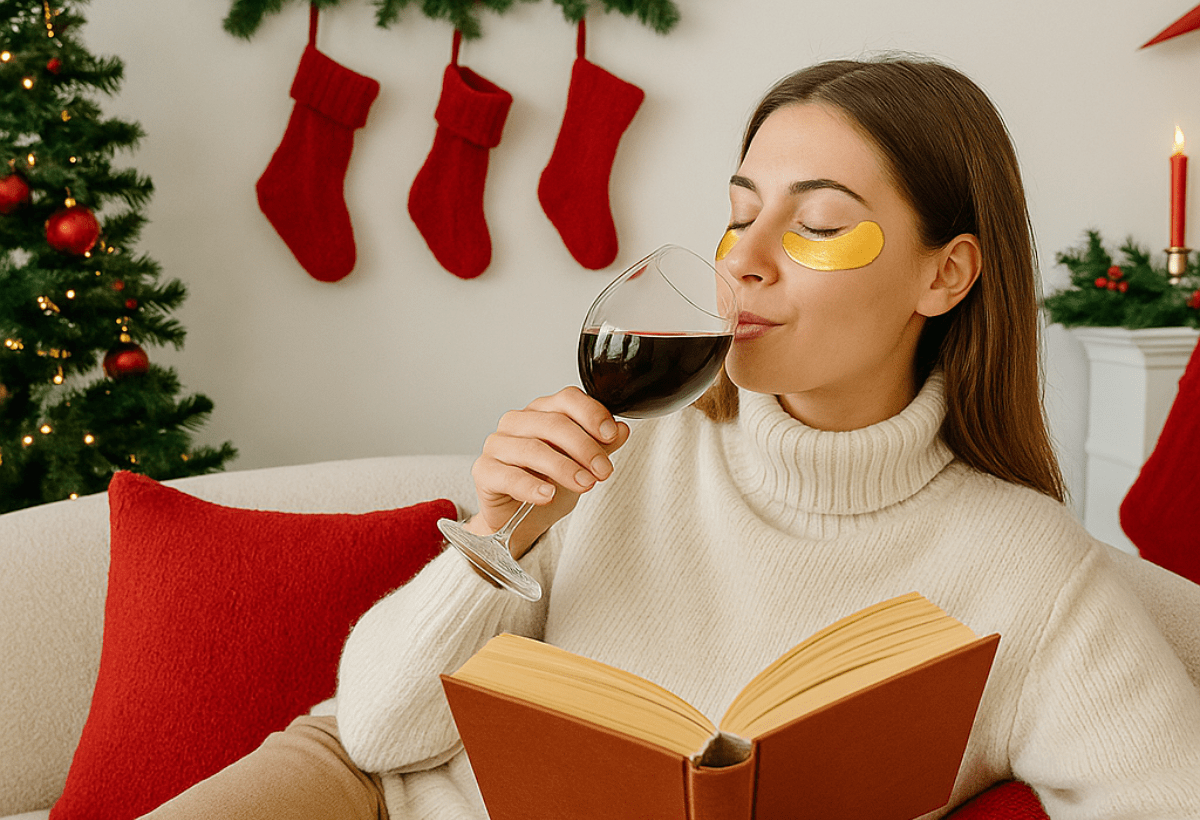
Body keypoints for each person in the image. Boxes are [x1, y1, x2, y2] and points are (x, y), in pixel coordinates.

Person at [143, 57, 1200, 819]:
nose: (745, 257)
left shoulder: (1028, 570)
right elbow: (373, 738)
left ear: (946, 274)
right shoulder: (621, 446)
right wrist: (495, 542)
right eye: (740, 212)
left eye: (820, 225)